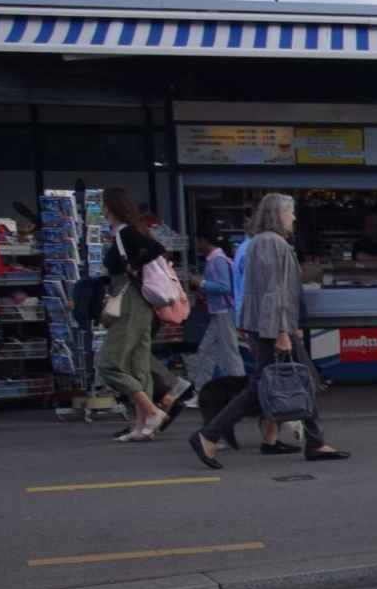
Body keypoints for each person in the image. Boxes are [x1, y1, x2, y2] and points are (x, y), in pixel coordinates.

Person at [190, 192, 349, 467]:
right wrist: (281, 332)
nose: (294, 217)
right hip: (271, 328)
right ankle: (209, 435)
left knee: (291, 380)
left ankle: (315, 441)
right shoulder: (271, 243)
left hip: (269, 325)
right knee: (280, 383)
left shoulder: (262, 242)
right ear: (278, 214)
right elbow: (272, 291)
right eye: (290, 212)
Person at [95, 187, 172, 441]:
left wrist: (132, 266)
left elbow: (155, 247)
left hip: (128, 300)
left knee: (109, 362)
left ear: (109, 207)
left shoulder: (124, 233)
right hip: (138, 302)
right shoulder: (124, 233)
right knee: (138, 365)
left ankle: (152, 412)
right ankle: (142, 427)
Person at [187, 229, 246, 387]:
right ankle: (201, 389)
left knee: (229, 353)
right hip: (219, 312)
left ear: (204, 240)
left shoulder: (217, 260)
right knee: (206, 351)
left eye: (199, 241)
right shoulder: (217, 259)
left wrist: (201, 283)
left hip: (225, 311)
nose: (197, 245)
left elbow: (224, 286)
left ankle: (240, 389)